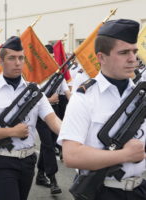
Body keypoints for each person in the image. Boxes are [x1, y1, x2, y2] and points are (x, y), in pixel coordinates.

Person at [58, 19, 146, 200]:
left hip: (139, 189)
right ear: (101, 57)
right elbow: (71, 155)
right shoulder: (84, 97)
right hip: (100, 191)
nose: (132, 58)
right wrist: (124, 155)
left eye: (134, 51)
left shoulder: (141, 94)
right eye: (123, 52)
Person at [0, 36, 61, 200]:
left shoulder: (34, 91)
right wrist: (11, 131)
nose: (18, 63)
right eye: (12, 58)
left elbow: (53, 120)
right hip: (1, 160)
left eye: (21, 58)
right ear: (1, 61)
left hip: (27, 161)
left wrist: (75, 137)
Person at [35, 44, 71, 195]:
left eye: (52, 56)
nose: (51, 59)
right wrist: (48, 100)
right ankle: (53, 179)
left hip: (55, 112)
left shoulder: (58, 76)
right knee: (48, 145)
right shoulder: (37, 76)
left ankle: (40, 174)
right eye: (48, 57)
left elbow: (68, 93)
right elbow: (34, 97)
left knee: (47, 145)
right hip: (40, 113)